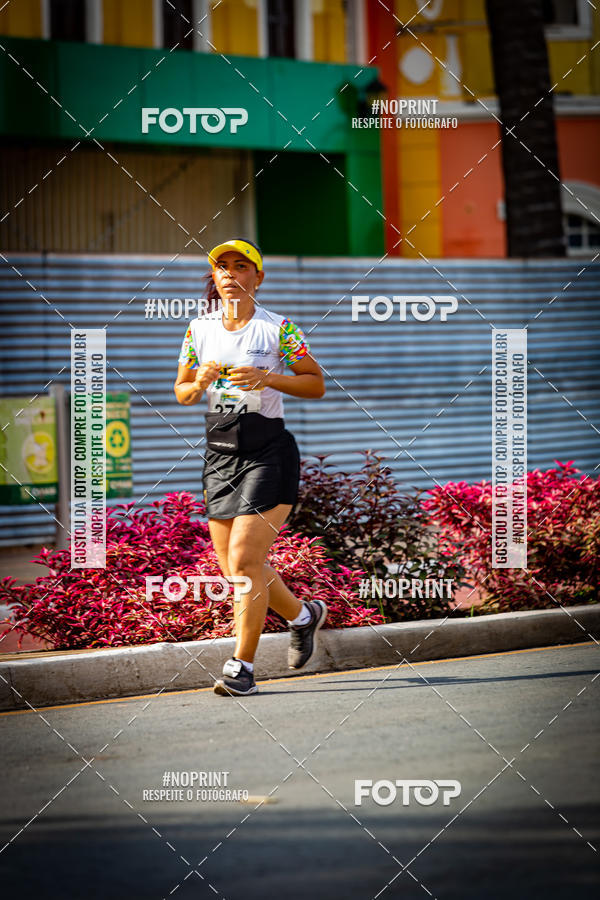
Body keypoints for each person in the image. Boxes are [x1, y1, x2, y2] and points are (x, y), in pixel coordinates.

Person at [174, 238, 327, 697]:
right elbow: (182, 391)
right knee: (239, 571)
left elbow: (315, 383)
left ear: (257, 277)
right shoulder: (197, 329)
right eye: (223, 267)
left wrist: (267, 377)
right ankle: (304, 617)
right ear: (215, 278)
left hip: (268, 453)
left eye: (242, 266)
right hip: (220, 453)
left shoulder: (278, 328)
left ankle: (242, 668)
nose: (232, 274)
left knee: (244, 560)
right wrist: (198, 381)